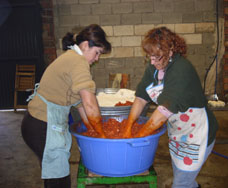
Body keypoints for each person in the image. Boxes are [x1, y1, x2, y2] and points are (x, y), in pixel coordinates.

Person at [121, 27, 218, 188]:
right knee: (183, 176)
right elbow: (140, 98)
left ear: (171, 50)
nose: (152, 61)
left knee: (181, 183)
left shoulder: (181, 70)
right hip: (179, 131)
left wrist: (136, 138)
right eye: (149, 56)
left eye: (156, 56)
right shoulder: (154, 67)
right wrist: (128, 127)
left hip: (197, 133)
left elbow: (162, 112)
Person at [21, 24, 111, 188]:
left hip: (36, 123)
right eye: (97, 52)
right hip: (41, 125)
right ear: (85, 45)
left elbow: (81, 105)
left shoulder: (71, 58)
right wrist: (102, 136)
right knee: (58, 177)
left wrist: (91, 129)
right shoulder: (78, 62)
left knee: (55, 174)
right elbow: (90, 104)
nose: (97, 58)